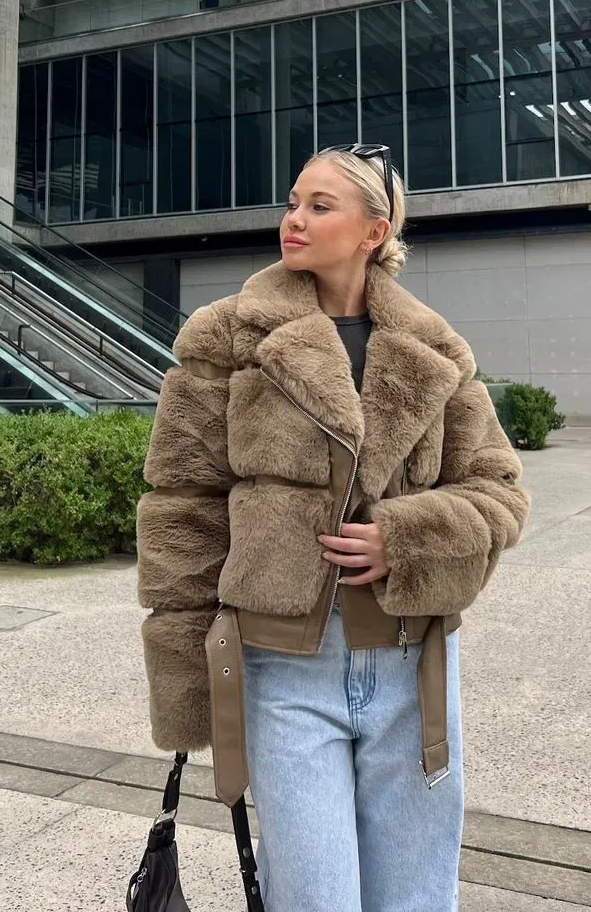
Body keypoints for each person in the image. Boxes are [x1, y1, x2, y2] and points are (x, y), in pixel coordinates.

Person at [136, 143, 530, 912]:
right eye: (293, 202)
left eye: (320, 206)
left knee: (415, 899)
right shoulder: (226, 336)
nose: (294, 218)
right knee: (316, 898)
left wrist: (405, 536)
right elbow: (182, 506)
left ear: (374, 231)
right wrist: (184, 683)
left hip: (413, 667)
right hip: (284, 669)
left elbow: (500, 491)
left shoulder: (434, 348)